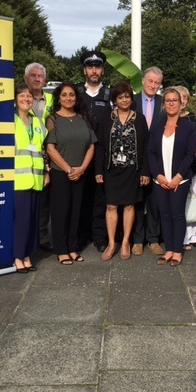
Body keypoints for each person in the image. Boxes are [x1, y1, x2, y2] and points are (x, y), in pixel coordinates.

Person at [95, 82, 150, 261]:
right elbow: (100, 146)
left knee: (129, 205)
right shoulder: (106, 118)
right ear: (115, 100)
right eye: (120, 97)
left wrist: (145, 172)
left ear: (131, 98)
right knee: (111, 205)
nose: (124, 100)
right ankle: (112, 243)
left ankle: (126, 241)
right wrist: (98, 170)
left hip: (132, 170)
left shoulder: (139, 119)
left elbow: (146, 147)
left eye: (127, 96)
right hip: (112, 170)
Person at [45, 82, 97, 265]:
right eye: (64, 95)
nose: (68, 98)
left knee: (77, 212)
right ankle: (61, 249)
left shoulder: (83, 118)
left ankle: (73, 247)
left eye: (72, 95)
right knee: (61, 212)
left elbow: (91, 145)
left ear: (76, 98)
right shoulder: (53, 119)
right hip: (61, 172)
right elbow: (50, 148)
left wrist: (82, 168)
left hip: (80, 172)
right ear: (58, 97)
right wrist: (68, 169)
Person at [148, 87, 196, 267]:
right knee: (165, 215)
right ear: (164, 104)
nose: (170, 103)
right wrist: (158, 176)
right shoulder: (157, 125)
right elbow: (151, 153)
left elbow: (190, 154)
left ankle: (177, 251)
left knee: (177, 215)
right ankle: (169, 249)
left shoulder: (188, 127)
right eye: (167, 100)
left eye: (174, 100)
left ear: (181, 103)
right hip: (160, 180)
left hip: (179, 180)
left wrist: (178, 177)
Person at [76, 50, 111, 253]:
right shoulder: (76, 93)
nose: (94, 71)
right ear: (85, 70)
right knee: (80, 197)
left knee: (100, 198)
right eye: (90, 67)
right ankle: (81, 236)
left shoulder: (109, 95)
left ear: (102, 71)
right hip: (79, 154)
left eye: (97, 67)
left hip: (101, 155)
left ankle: (99, 236)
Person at [13, 83, 48, 272]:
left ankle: (27, 254)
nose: (26, 99)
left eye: (29, 96)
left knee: (33, 219)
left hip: (36, 179)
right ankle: (18, 256)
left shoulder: (38, 122)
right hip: (18, 180)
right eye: (22, 96)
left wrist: (47, 173)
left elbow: (42, 150)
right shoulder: (10, 121)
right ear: (16, 99)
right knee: (21, 220)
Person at [132, 67, 165, 256]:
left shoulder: (164, 102)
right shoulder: (132, 100)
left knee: (154, 201)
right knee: (137, 200)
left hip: (158, 159)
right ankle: (138, 239)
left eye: (157, 83)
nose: (153, 85)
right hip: (135, 159)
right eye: (150, 81)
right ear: (143, 81)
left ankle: (153, 238)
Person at [24, 62, 55, 252]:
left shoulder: (52, 99)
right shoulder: (19, 98)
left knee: (44, 199)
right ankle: (26, 236)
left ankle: (42, 235)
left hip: (49, 152)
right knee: (27, 198)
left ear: (45, 79)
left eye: (40, 76)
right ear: (26, 79)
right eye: (33, 76)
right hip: (26, 154)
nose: (37, 79)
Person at [173, 86, 196, 251]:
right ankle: (182, 237)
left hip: (193, 166)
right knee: (181, 203)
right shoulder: (168, 118)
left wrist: (189, 158)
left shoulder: (192, 118)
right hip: (176, 169)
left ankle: (193, 235)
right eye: (179, 98)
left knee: (195, 201)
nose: (182, 101)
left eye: (185, 98)